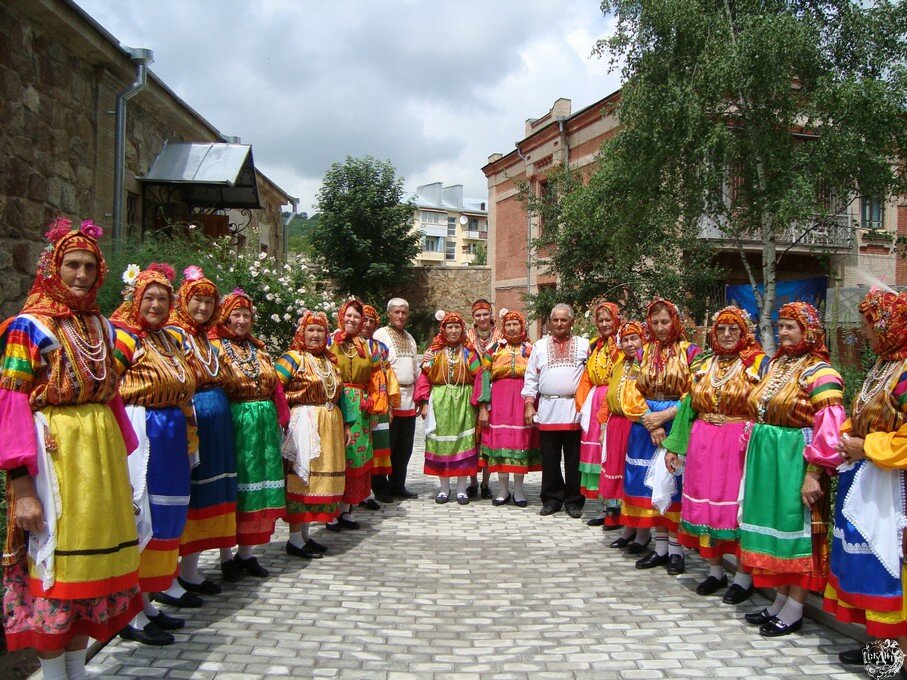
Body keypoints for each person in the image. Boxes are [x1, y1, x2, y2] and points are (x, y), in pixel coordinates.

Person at [0, 217, 141, 678]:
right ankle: (53, 674)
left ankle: (76, 670)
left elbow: (113, 400)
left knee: (91, 576)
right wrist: (21, 484)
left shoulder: (105, 329)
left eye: (89, 267)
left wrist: (125, 466)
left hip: (99, 460)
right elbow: (12, 400)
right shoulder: (29, 327)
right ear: (53, 269)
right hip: (53, 457)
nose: (81, 275)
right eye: (71, 265)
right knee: (55, 565)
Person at [739, 301, 845, 637]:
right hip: (769, 455)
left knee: (797, 529)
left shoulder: (821, 372)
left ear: (809, 330)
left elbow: (830, 425)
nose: (782, 333)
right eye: (779, 326)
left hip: (795, 459)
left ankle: (796, 606)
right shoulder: (777, 364)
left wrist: (813, 472)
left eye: (790, 327)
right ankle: (779, 599)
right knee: (774, 528)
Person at [110, 262, 198, 645]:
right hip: (140, 427)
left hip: (170, 431)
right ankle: (129, 610)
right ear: (136, 299)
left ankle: (145, 600)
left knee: (165, 515)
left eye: (164, 298)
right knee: (139, 515)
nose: (157, 305)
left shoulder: (169, 339)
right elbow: (106, 386)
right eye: (150, 298)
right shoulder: (123, 338)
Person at [661, 306, 766, 603]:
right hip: (704, 440)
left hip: (737, 442)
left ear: (745, 332)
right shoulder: (704, 365)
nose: (727, 334)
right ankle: (715, 569)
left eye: (734, 329)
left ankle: (744, 577)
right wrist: (675, 447)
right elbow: (687, 408)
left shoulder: (758, 364)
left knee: (736, 509)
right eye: (721, 329)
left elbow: (766, 407)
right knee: (708, 508)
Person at [825, 290, 907, 667]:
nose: (864, 333)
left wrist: (866, 446)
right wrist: (846, 437)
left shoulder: (904, 373)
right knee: (869, 563)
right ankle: (879, 646)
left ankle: (894, 658)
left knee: (888, 564)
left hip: (893, 487)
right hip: (866, 477)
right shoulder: (883, 366)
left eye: (869, 326)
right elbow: (861, 414)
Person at [167, 267, 241, 588]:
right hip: (192, 420)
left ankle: (193, 567)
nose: (203, 308)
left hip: (217, 423)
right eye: (197, 300)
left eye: (209, 302)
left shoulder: (205, 339)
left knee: (211, 490)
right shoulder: (174, 334)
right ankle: (180, 571)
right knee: (192, 492)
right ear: (184, 300)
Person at [209, 289, 287, 577]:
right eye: (236, 314)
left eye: (246, 315)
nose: (241, 320)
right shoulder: (214, 347)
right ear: (225, 316)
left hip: (264, 424)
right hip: (236, 421)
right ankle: (226, 555)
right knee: (237, 486)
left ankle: (247, 552)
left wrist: (281, 419)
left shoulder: (259, 349)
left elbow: (274, 386)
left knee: (259, 487)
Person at [624, 299, 700, 575]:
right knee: (649, 485)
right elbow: (630, 388)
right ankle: (660, 548)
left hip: (676, 419)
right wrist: (650, 422)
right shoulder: (643, 353)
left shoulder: (690, 352)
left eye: (665, 322)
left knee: (674, 483)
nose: (660, 327)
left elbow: (695, 393)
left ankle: (677, 550)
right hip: (646, 423)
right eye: (654, 322)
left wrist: (666, 417)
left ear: (675, 321)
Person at [276, 312, 354, 559]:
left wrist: (347, 425)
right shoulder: (292, 358)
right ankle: (294, 539)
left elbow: (340, 395)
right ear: (302, 332)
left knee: (316, 482)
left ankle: (305, 536)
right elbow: (275, 389)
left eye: (320, 330)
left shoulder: (329, 361)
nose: (315, 335)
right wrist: (286, 418)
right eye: (310, 330)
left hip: (329, 424)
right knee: (302, 478)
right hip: (304, 424)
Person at [522, 304, 590, 517]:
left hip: (574, 410)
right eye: (555, 320)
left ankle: (574, 500)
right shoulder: (540, 347)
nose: (559, 324)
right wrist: (529, 404)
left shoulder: (584, 345)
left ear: (572, 321)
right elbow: (531, 377)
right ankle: (552, 499)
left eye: (564, 320)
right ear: (550, 322)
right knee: (549, 458)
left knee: (573, 458)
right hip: (548, 409)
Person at [327, 299, 386, 529]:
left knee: (356, 457)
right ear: (341, 316)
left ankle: (346, 509)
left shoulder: (369, 347)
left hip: (361, 405)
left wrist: (375, 410)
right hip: (335, 401)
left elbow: (376, 380)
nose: (352, 320)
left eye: (357, 317)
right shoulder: (329, 340)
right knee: (335, 457)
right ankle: (330, 511)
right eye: (349, 315)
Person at [415, 311, 483, 504]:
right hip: (440, 401)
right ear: (443, 329)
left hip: (464, 401)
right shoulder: (434, 352)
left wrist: (479, 403)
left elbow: (479, 377)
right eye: (449, 327)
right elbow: (424, 378)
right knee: (441, 444)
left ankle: (461, 489)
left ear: (462, 329)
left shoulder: (469, 352)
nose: (453, 331)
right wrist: (425, 402)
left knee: (463, 444)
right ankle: (444, 489)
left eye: (457, 327)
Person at [475, 310, 540, 507]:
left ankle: (519, 491)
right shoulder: (494, 349)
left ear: (522, 326)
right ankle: (503, 490)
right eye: (509, 324)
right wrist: (483, 407)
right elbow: (484, 377)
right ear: (503, 327)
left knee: (520, 442)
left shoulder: (531, 350)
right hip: (500, 402)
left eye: (516, 324)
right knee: (501, 443)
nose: (512, 328)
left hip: (522, 401)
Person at [598, 321, 646, 546]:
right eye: (625, 340)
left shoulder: (646, 364)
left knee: (633, 477)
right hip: (616, 423)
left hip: (635, 425)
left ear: (642, 339)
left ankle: (642, 533)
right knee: (617, 474)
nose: (629, 344)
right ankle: (628, 528)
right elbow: (609, 396)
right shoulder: (619, 364)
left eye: (633, 339)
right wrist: (604, 426)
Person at [575, 301, 621, 526]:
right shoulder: (595, 346)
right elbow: (587, 375)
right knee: (597, 454)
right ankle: (606, 506)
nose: (604, 324)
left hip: (613, 401)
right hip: (595, 403)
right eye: (600, 320)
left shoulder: (621, 344)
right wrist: (581, 404)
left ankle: (617, 509)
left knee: (611, 453)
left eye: (608, 319)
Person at [373, 298, 421, 499]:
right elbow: (379, 368)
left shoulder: (410, 338)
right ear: (389, 314)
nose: (400, 316)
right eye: (396, 312)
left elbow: (415, 369)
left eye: (403, 312)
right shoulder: (381, 334)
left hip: (408, 397)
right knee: (386, 445)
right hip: (390, 397)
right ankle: (380, 487)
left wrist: (419, 396)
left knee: (404, 446)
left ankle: (398, 485)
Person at [360, 304, 400, 506]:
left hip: (379, 404)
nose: (367, 324)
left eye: (371, 321)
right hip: (357, 403)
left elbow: (388, 377)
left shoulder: (380, 348)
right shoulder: (341, 343)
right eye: (364, 319)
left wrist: (391, 405)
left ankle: (370, 491)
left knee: (376, 450)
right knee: (358, 449)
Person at [466, 299, 501, 499]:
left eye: (485, 314)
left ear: (490, 315)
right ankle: (472, 482)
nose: (482, 318)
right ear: (474, 318)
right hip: (471, 390)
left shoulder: (500, 335)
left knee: (488, 435)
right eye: (478, 315)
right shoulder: (467, 337)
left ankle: (486, 483)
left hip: (494, 390)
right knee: (472, 435)